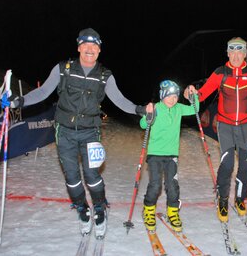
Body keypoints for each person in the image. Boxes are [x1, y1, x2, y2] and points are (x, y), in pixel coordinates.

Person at [8, 28, 148, 238]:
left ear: (99, 50)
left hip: (91, 133)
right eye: (86, 45)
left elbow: (119, 100)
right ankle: (83, 210)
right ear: (79, 47)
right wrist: (20, 101)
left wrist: (139, 109)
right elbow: (44, 91)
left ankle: (99, 210)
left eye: (94, 46)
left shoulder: (104, 75)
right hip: (64, 132)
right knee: (72, 179)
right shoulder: (63, 69)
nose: (90, 49)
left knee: (92, 176)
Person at [184, 37, 247, 222]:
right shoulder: (220, 73)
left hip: (246, 127)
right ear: (228, 53)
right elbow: (201, 93)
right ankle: (222, 199)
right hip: (226, 126)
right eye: (232, 51)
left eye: (240, 52)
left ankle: (240, 198)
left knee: (245, 165)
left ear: (245, 53)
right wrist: (190, 93)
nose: (236, 56)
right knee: (227, 164)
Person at [141, 80, 199, 232]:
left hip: (172, 154)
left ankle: (173, 212)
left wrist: (193, 96)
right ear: (162, 95)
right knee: (155, 185)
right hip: (155, 154)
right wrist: (148, 114)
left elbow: (195, 109)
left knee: (172, 185)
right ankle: (148, 211)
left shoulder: (179, 108)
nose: (172, 99)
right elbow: (143, 124)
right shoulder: (157, 108)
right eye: (169, 96)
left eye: (175, 96)